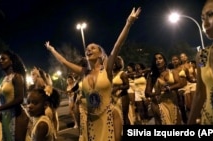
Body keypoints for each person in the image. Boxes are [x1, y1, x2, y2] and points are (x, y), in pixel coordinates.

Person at [45, 7, 141, 141]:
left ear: (101, 53)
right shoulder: (84, 72)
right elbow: (64, 62)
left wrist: (128, 23)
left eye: (92, 48)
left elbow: (117, 45)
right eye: (87, 49)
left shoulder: (106, 69)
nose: (88, 50)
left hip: (109, 117)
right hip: (90, 120)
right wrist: (52, 49)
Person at [188, 0, 213, 124]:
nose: (205, 23)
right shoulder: (202, 56)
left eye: (211, 14)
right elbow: (200, 93)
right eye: (202, 18)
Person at [0, 50, 29, 141]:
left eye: (3, 58)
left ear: (11, 61)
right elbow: (1, 98)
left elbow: (19, 99)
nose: (0, 61)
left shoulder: (17, 77)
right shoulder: (4, 79)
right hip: (5, 116)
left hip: (16, 116)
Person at [145, 52, 183, 125]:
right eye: (155, 59)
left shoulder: (173, 71)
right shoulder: (152, 76)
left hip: (173, 102)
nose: (158, 60)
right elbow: (147, 93)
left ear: (164, 61)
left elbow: (179, 84)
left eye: (160, 58)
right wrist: (157, 92)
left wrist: (168, 88)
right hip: (159, 104)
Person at [30, 67, 60, 139]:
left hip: (46, 114)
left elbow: (54, 114)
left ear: (38, 76)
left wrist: (55, 132)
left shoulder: (46, 87)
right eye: (31, 75)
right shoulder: (33, 88)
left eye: (34, 74)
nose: (32, 77)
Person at [112, 56, 129, 128]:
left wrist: (118, 88)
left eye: (113, 63)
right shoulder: (112, 74)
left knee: (124, 116)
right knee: (117, 116)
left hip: (122, 97)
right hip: (114, 98)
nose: (111, 65)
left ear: (117, 64)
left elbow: (127, 86)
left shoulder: (122, 74)